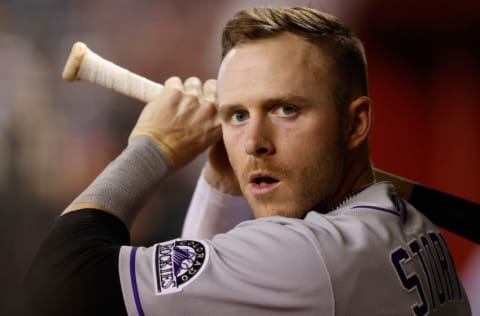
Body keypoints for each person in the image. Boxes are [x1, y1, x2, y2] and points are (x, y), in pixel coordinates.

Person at [24, 6, 471, 316]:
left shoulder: (313, 256)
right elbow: (193, 302)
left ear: (356, 123)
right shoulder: (410, 224)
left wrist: (152, 145)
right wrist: (220, 182)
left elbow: (61, 285)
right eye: (238, 114)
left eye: (286, 109)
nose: (254, 141)